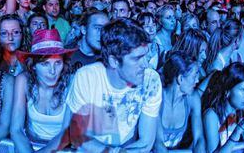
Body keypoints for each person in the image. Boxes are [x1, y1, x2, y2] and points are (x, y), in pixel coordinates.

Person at [47, 18, 162, 152]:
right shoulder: (87, 77)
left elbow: (146, 143)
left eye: (145, 56)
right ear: (114, 61)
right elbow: (78, 136)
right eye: (137, 58)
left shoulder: (151, 80)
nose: (145, 64)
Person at [10, 29, 75, 152]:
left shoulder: (72, 83)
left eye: (57, 63)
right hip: (28, 146)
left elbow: (66, 134)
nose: (52, 71)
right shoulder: (23, 80)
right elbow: (16, 129)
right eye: (45, 64)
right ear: (33, 66)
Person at [202, 63, 244, 153]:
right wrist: (238, 131)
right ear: (227, 91)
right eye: (243, 89)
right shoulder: (211, 115)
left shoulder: (242, 112)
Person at [154, 51, 205, 152]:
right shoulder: (158, 98)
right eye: (194, 76)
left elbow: (199, 138)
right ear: (180, 79)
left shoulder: (193, 99)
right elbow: (158, 143)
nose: (197, 80)